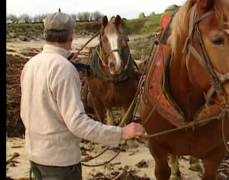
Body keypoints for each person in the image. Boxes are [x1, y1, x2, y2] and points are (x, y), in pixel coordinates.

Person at [20, 11, 145, 180]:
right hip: (60, 162)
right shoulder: (64, 69)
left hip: (34, 155)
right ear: (71, 36)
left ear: (46, 35)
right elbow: (77, 123)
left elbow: (25, 112)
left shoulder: (30, 65)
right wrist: (121, 133)